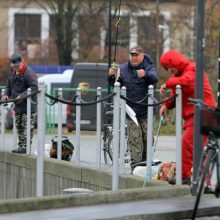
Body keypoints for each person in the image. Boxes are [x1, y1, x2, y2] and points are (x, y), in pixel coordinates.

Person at [159, 50, 216, 185]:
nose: (169, 71)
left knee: (189, 143)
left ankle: (191, 178)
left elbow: (186, 82)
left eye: (169, 67)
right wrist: (166, 105)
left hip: (203, 114)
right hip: (196, 115)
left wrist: (167, 83)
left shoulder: (193, 68)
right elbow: (176, 93)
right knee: (196, 147)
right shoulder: (180, 74)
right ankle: (201, 181)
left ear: (174, 63)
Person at [108, 45, 159, 172]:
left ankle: (145, 165)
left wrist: (145, 74)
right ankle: (135, 167)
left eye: (136, 55)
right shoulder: (123, 68)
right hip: (130, 112)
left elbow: (155, 78)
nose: (134, 57)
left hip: (146, 111)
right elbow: (114, 84)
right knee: (135, 140)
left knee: (147, 139)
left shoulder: (148, 66)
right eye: (132, 55)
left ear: (142, 56)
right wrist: (110, 76)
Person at [3, 54, 38, 154]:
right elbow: (8, 86)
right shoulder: (13, 73)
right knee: (19, 126)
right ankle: (21, 146)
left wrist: (22, 95)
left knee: (27, 127)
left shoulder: (29, 73)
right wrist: (6, 95)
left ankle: (26, 147)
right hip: (18, 106)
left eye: (17, 66)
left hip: (29, 107)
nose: (15, 68)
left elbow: (34, 87)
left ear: (22, 62)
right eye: (13, 66)